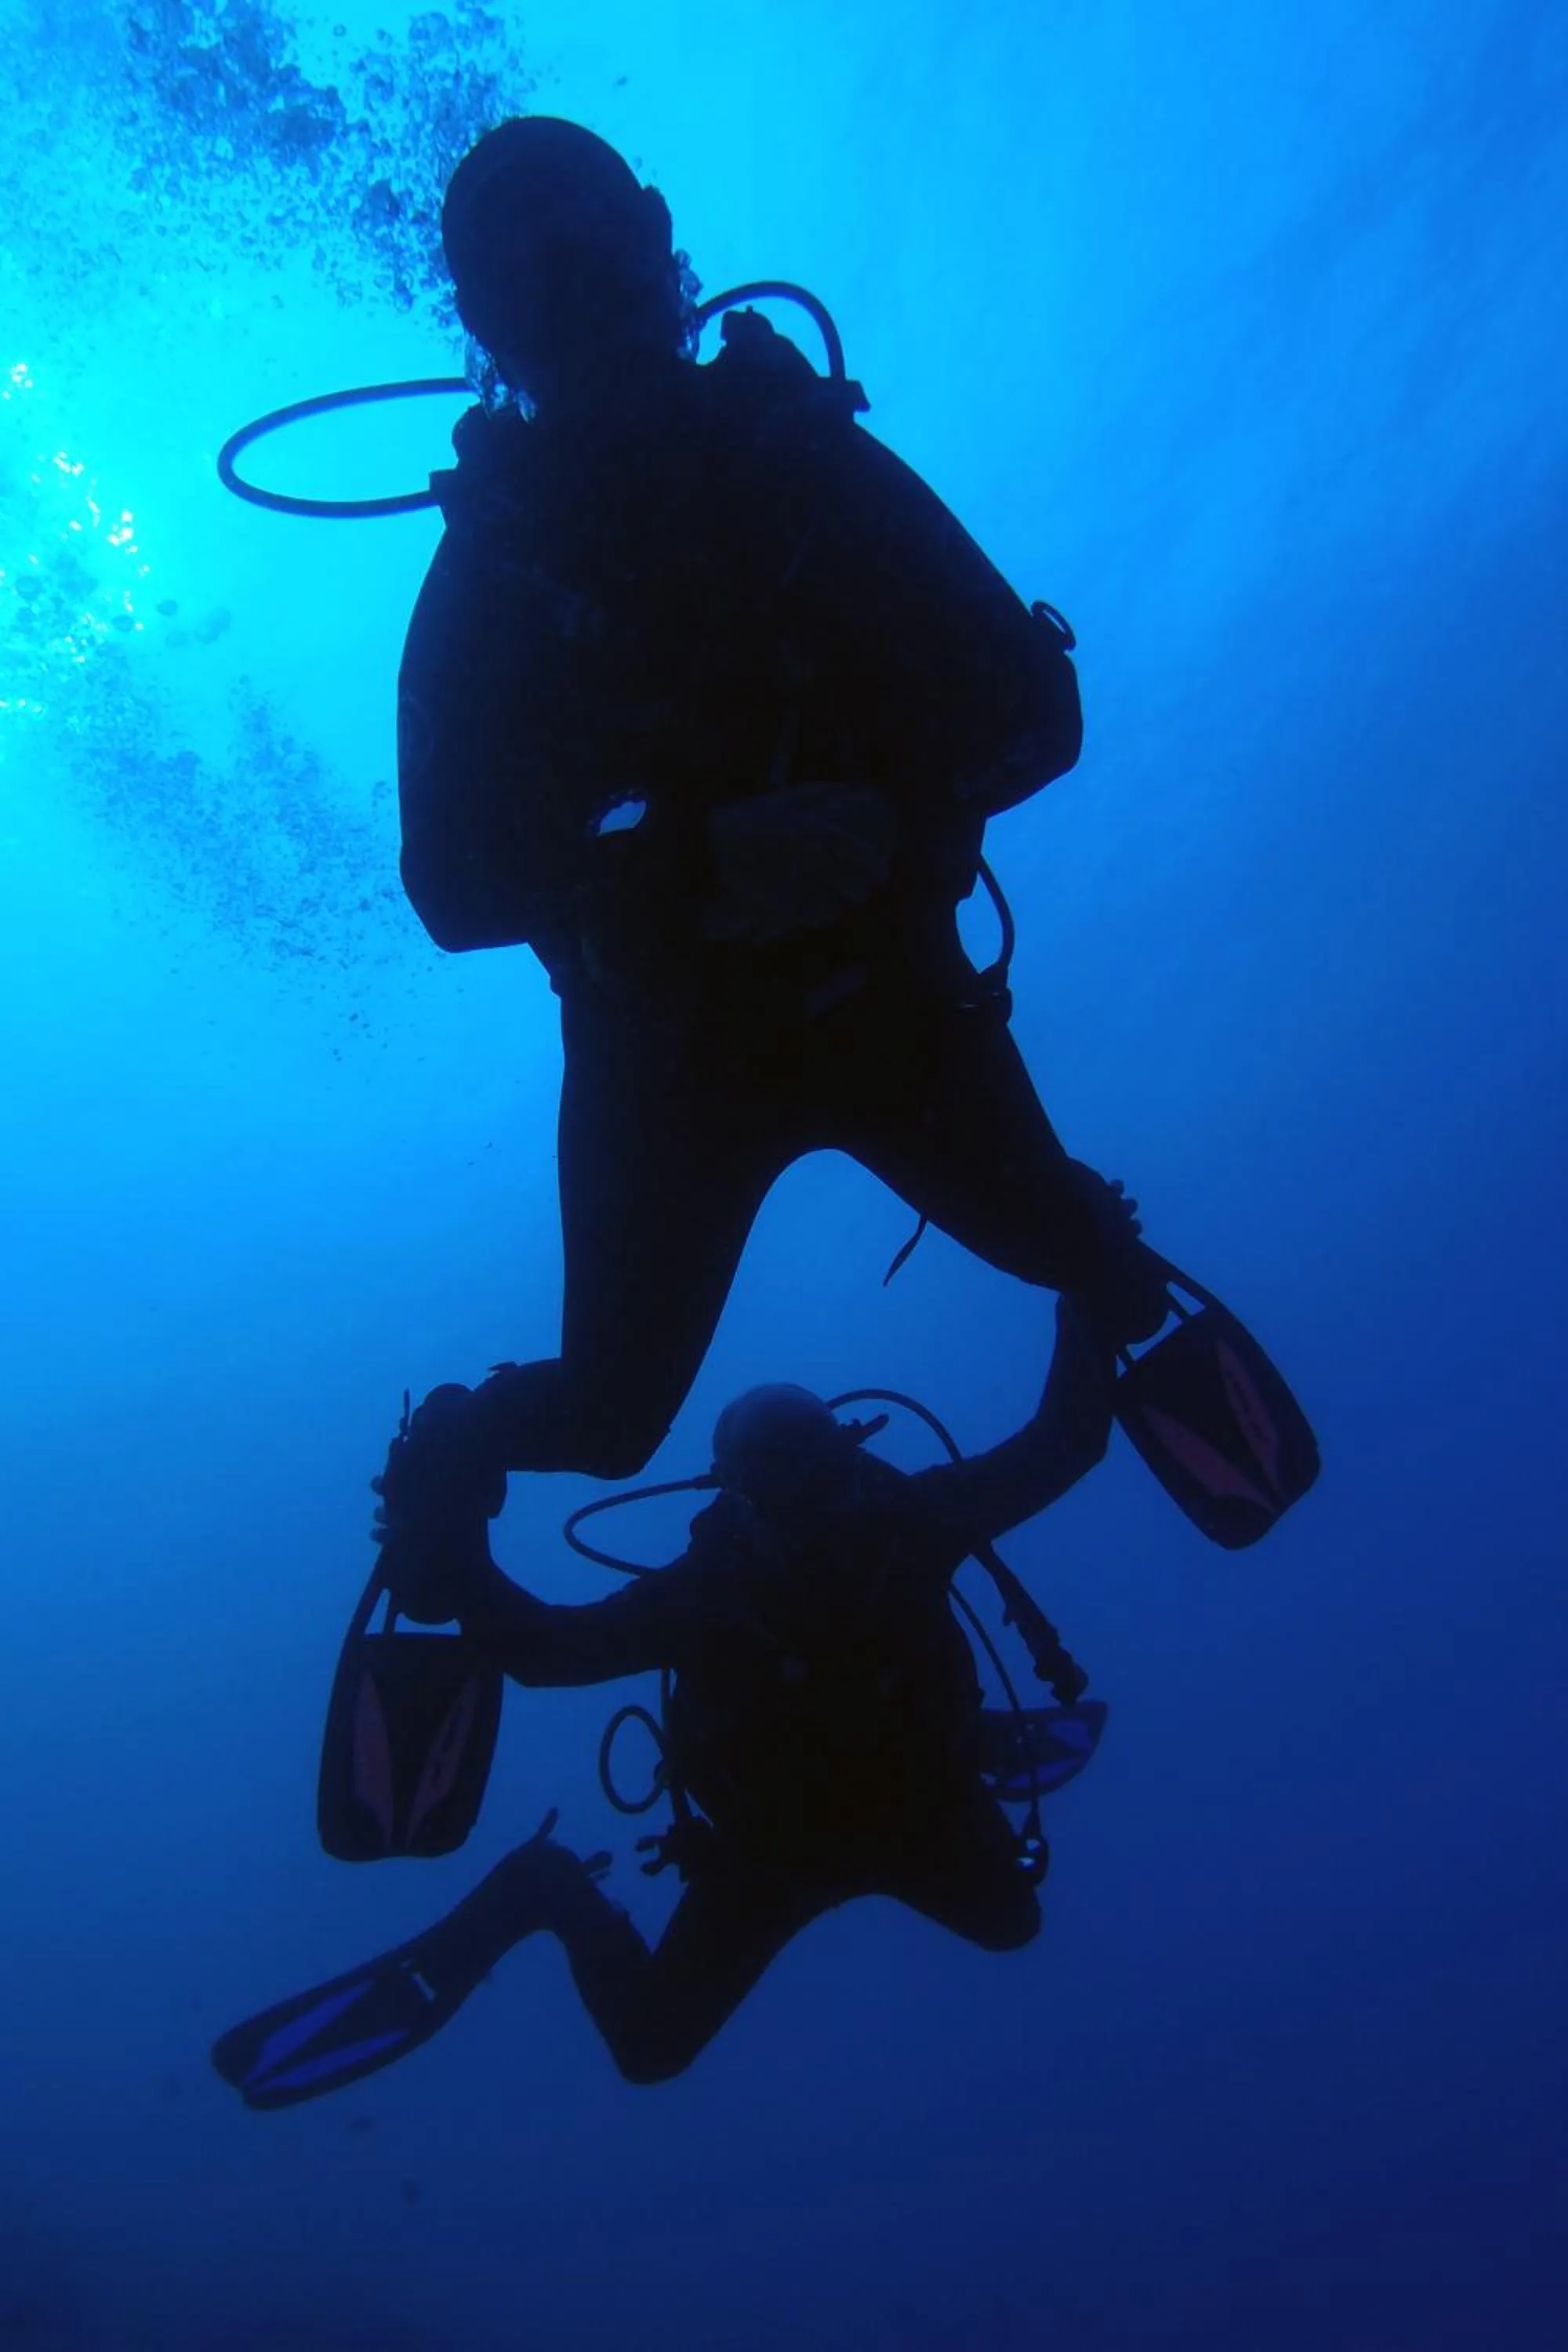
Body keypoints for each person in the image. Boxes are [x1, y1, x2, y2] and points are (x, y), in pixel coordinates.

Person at [376, 112, 1195, 1595]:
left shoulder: (806, 461)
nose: (566, 284)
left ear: (655, 235)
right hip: (669, 1060)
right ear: (484, 324)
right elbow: (449, 888)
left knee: (1083, 1253)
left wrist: (894, 812)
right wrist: (693, 865)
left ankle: (1110, 1271)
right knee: (614, 1418)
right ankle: (453, 1455)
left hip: (886, 1003)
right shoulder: (490, 579)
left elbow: (1032, 711)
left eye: (586, 241)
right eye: (519, 272)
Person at [214, 1302, 1115, 2105]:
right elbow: (550, 1655)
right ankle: (545, 1888)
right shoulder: (722, 1590)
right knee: (648, 2050)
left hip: (915, 1811)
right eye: (783, 1489)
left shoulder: (906, 1525)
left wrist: (1089, 1292)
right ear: (741, 1497)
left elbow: (1067, 1441)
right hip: (774, 1853)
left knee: (1013, 1925)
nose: (810, 1515)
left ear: (848, 1465)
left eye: (818, 1482)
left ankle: (970, 1737)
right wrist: (450, 1547)